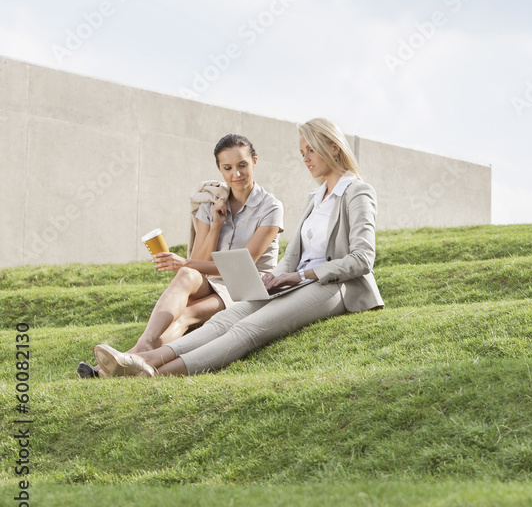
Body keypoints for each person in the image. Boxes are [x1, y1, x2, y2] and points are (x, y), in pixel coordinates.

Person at [93, 118, 383, 377]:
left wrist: (300, 276)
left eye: (312, 149)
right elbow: (293, 256)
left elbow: (362, 259)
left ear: (334, 148)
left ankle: (151, 374)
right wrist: (277, 276)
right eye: (302, 152)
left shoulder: (357, 192)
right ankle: (142, 358)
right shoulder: (316, 196)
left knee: (247, 329)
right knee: (224, 321)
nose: (306, 158)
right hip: (293, 282)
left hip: (332, 286)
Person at [79, 134, 283, 377]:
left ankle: (122, 362)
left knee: (187, 313)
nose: (236, 175)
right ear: (219, 168)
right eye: (227, 168)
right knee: (186, 274)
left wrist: (184, 261)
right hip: (213, 280)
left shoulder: (271, 207)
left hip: (247, 284)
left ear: (254, 162)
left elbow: (244, 265)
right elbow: (198, 261)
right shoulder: (212, 203)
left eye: (242, 165)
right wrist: (216, 225)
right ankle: (142, 347)